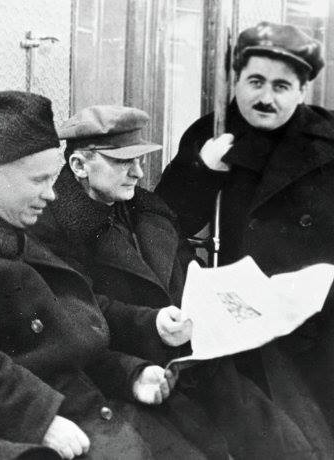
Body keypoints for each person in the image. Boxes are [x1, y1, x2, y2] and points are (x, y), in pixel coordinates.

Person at [0, 90, 245, 459]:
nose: (52, 195)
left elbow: (72, 334)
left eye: (53, 179)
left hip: (92, 400)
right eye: (40, 180)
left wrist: (130, 373)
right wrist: (41, 418)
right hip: (39, 426)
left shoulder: (14, 226)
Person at [30, 104, 319, 458]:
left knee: (291, 447)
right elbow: (79, 312)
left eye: (140, 160)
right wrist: (153, 325)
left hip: (198, 362)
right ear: (79, 166)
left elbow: (183, 269)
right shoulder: (50, 227)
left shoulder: (145, 207)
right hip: (131, 378)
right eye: (124, 162)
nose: (138, 173)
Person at [155, 21, 334, 451]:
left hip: (319, 318)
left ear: (302, 90)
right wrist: (201, 170)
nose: (265, 98)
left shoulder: (330, 141)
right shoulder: (211, 133)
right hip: (240, 321)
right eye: (255, 81)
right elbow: (162, 223)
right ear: (236, 80)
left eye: (281, 85)